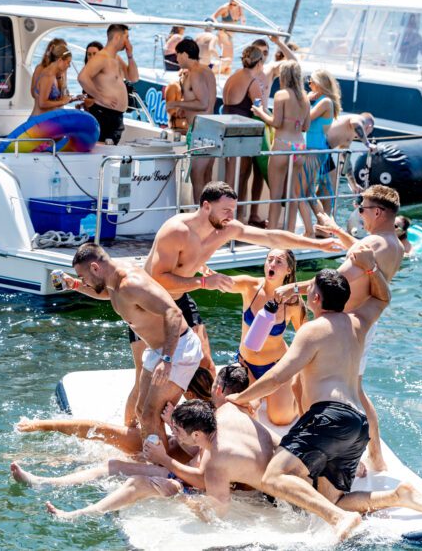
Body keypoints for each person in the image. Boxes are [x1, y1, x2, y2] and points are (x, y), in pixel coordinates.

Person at [229, 261, 422, 541]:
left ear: (316, 298)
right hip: (357, 424)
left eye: (310, 289)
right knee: (332, 499)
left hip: (329, 416)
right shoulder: (358, 323)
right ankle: (396, 496)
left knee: (273, 478)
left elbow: (279, 376)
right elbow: (382, 297)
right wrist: (372, 269)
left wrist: (240, 398)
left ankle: (338, 519)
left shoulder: (313, 329)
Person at [144, 181, 343, 386]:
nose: (231, 216)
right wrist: (204, 281)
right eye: (226, 210)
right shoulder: (176, 231)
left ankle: (205, 416)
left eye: (233, 210)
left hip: (180, 298)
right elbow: (159, 280)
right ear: (206, 206)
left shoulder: (226, 228)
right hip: (150, 303)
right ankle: (136, 418)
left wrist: (317, 244)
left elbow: (271, 237)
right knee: (146, 375)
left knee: (207, 366)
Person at [279, 184, 404, 472]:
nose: (358, 213)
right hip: (365, 322)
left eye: (361, 208)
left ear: (377, 211)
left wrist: (291, 288)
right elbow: (360, 254)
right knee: (355, 389)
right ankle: (375, 456)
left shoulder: (373, 244)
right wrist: (337, 231)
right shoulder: (393, 243)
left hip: (346, 326)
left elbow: (336, 279)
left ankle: (308, 444)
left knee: (304, 381)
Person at [39, 365, 257, 519]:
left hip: (195, 485)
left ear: (218, 389)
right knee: (115, 465)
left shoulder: (222, 423)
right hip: (192, 477)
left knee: (137, 482)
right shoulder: (239, 415)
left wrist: (167, 450)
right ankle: (45, 482)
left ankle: (76, 514)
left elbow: (204, 471)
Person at [60, 242, 202, 446]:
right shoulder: (114, 280)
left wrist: (167, 359)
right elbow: (106, 293)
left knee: (150, 415)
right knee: (141, 411)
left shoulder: (131, 284)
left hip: (178, 349)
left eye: (84, 277)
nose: (85, 281)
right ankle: (158, 454)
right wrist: (75, 285)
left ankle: (163, 467)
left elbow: (174, 313)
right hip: (159, 350)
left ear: (95, 268)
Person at [15, 366, 214, 456]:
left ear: (187, 391)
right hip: (169, 447)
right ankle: (42, 426)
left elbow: (198, 451)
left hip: (171, 456)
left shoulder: (209, 420)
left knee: (103, 438)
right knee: (103, 432)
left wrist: (171, 422)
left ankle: (43, 431)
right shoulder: (199, 408)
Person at [228, 249, 306, 424]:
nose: (272, 264)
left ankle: (297, 390)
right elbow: (221, 282)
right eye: (269, 259)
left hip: (275, 367)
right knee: (240, 412)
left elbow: (306, 335)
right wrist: (204, 276)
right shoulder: (250, 286)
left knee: (280, 419)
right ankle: (263, 395)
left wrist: (298, 368)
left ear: (289, 270)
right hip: (246, 364)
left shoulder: (293, 302)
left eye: (279, 261)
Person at [250, 60, 310, 230]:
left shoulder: (281, 95)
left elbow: (275, 123)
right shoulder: (305, 98)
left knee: (276, 196)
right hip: (299, 147)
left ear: (283, 75)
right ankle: (289, 232)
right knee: (292, 195)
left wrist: (260, 112)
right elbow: (306, 127)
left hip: (282, 145)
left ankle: (271, 233)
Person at [165, 38, 217, 202]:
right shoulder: (206, 71)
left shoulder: (194, 74)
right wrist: (185, 108)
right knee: (207, 176)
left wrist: (176, 103)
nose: (176, 59)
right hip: (212, 128)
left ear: (185, 54)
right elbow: (206, 101)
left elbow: (203, 103)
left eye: (178, 55)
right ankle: (210, 218)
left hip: (201, 130)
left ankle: (201, 218)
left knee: (197, 176)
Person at [222, 46, 265, 220]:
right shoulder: (251, 82)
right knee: (240, 176)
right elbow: (259, 110)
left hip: (227, 130)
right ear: (260, 62)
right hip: (241, 134)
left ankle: (227, 217)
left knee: (230, 177)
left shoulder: (233, 77)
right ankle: (234, 219)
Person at [78, 24, 139, 144]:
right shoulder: (101, 57)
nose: (128, 41)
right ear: (117, 37)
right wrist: (101, 97)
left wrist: (130, 55)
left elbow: (133, 77)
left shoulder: (116, 58)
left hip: (116, 117)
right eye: (126, 37)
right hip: (103, 114)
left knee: (108, 154)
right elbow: (82, 78)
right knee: (100, 152)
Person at [297, 69, 341, 237]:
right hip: (314, 149)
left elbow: (306, 118)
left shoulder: (325, 102)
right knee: (308, 191)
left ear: (320, 84)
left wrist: (306, 99)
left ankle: (321, 226)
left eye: (312, 81)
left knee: (306, 192)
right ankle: (324, 226)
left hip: (315, 150)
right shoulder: (323, 101)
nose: (309, 84)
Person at [324, 111, 375, 194]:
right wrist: (367, 144)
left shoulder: (349, 134)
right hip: (319, 146)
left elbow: (345, 157)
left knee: (329, 185)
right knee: (330, 183)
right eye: (369, 132)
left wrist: (353, 184)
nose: (367, 134)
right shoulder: (359, 119)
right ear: (369, 127)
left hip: (324, 151)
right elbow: (355, 123)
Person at [30, 43, 73, 117]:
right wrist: (63, 101)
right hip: (38, 123)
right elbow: (42, 103)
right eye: (68, 62)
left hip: (46, 122)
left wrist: (68, 99)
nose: (69, 66)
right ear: (60, 60)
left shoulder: (53, 75)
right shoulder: (48, 76)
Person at [212, 0, 245, 74]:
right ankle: (215, 73)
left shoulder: (240, 8)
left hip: (231, 35)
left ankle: (224, 76)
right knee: (227, 59)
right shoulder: (225, 8)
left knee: (229, 60)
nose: (232, 4)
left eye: (234, 3)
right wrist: (219, 26)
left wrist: (242, 20)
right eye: (231, 1)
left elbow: (243, 20)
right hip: (223, 33)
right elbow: (213, 17)